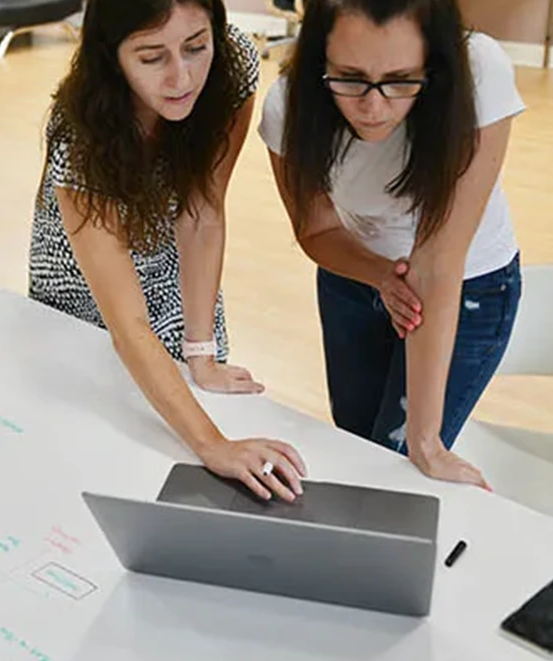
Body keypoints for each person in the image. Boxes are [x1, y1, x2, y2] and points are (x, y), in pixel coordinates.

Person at [30, 0, 307, 501]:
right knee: (103, 459)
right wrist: (212, 444)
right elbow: (126, 327)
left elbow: (203, 211)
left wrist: (201, 355)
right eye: (152, 57)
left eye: (195, 47)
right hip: (87, 293)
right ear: (111, 58)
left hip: (175, 271)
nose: (182, 77)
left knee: (198, 403)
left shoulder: (232, 64)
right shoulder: (79, 134)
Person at [260, 0, 525, 489]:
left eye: (402, 79)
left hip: (466, 284)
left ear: (434, 62)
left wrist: (426, 443)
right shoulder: (289, 105)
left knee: (396, 464)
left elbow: (438, 260)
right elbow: (316, 230)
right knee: (358, 447)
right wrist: (379, 275)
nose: (373, 106)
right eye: (350, 77)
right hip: (354, 279)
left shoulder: (478, 72)